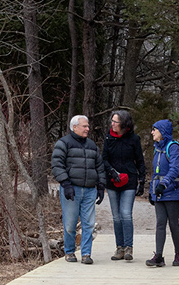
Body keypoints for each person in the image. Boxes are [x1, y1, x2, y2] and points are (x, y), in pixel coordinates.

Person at [51, 115, 106, 264]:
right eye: (84, 126)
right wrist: (66, 184)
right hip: (71, 190)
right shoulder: (63, 143)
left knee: (88, 223)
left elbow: (100, 167)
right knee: (70, 224)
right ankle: (69, 251)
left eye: (88, 126)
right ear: (74, 127)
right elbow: (57, 165)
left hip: (89, 190)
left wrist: (101, 186)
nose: (88, 129)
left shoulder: (92, 145)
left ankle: (86, 254)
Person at [102, 109, 145, 261]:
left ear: (124, 124)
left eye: (115, 122)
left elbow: (140, 160)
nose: (112, 124)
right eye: (112, 121)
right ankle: (119, 248)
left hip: (129, 180)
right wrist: (111, 171)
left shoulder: (134, 139)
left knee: (126, 214)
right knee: (116, 217)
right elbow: (104, 159)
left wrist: (142, 181)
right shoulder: (109, 138)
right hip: (112, 181)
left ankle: (128, 248)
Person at [146, 118, 179, 268]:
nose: (152, 132)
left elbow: (174, 169)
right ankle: (158, 256)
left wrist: (164, 184)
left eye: (154, 129)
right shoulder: (157, 149)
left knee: (173, 223)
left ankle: (178, 254)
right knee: (160, 223)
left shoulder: (173, 148)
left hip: (173, 190)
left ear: (162, 131)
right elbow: (155, 173)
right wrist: (152, 191)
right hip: (160, 192)